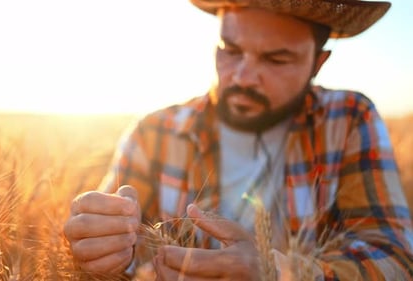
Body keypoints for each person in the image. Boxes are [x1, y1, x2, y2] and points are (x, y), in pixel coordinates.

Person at [64, 0, 413, 280]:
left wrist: (280, 273)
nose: (243, 77)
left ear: (317, 63)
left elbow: (395, 257)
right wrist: (99, 244)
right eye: (229, 50)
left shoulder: (348, 119)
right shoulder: (154, 132)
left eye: (275, 59)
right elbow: (112, 251)